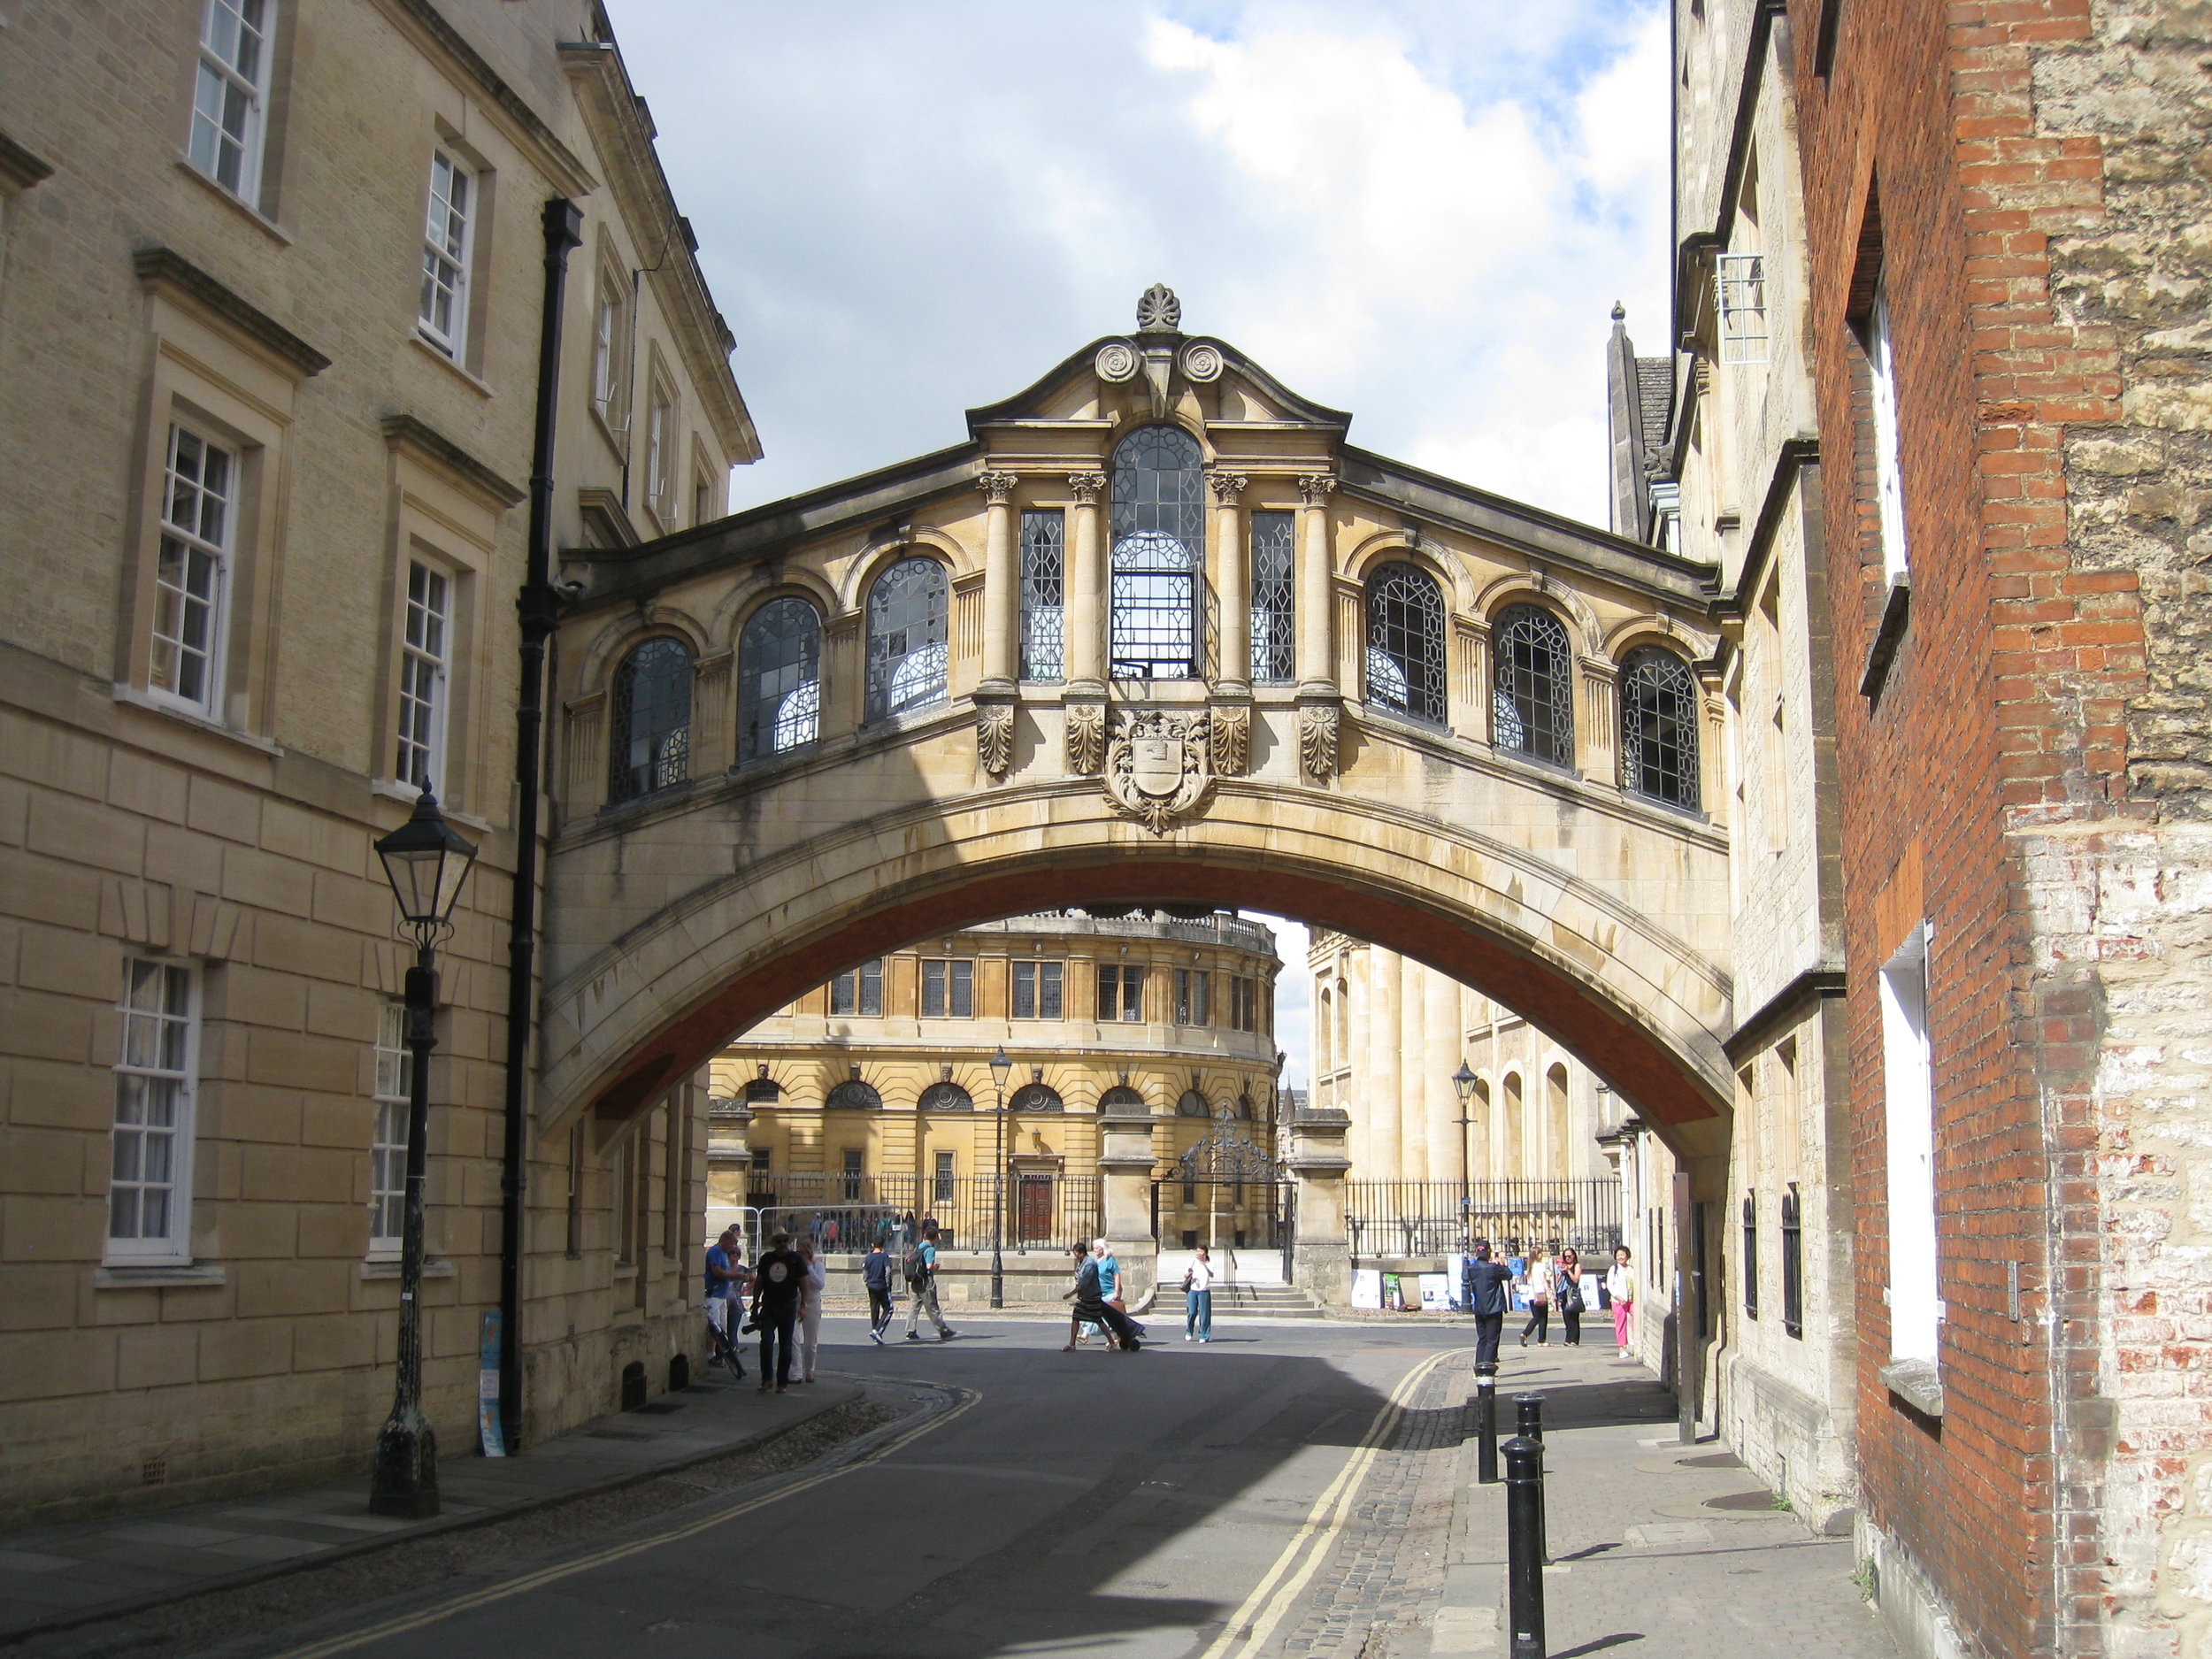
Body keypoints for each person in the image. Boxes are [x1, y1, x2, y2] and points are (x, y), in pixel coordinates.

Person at [749, 1230, 806, 1393]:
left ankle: (782, 1382)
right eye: (779, 1241)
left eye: (785, 1241)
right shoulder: (767, 1259)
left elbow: (804, 1282)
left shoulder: (795, 1259)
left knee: (785, 1345)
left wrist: (803, 1305)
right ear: (774, 1243)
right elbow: (759, 1281)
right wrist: (755, 1303)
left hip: (788, 1305)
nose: (782, 1244)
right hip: (769, 1305)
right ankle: (766, 1379)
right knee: (766, 1342)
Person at [1064, 1240, 1142, 1351]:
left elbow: (1085, 1282)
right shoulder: (1084, 1262)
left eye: (1076, 1254)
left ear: (1081, 1253)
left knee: (1098, 1320)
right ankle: (1072, 1344)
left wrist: (1070, 1294)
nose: (1075, 1256)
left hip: (1093, 1296)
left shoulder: (1091, 1263)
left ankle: (1110, 1341)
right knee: (1076, 1318)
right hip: (1084, 1296)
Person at [703, 1225, 748, 1378]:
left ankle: (719, 1353)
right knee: (715, 1326)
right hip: (714, 1293)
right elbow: (716, 1271)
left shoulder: (723, 1253)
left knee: (722, 1328)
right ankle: (711, 1354)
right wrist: (734, 1276)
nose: (733, 1247)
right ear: (725, 1241)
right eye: (732, 1243)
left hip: (722, 1295)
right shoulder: (715, 1252)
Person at [1462, 1240, 1513, 1366]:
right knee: (1492, 1340)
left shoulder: (1472, 1269)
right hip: (1493, 1308)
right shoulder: (1493, 1269)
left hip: (1479, 1309)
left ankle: (1478, 1367)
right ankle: (1486, 1369)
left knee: (1482, 1340)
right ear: (1488, 1251)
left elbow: (1465, 1278)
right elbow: (1509, 1275)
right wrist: (1501, 1264)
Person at [903, 1225, 957, 1341]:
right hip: (925, 1281)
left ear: (924, 1236)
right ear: (935, 1238)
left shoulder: (918, 1247)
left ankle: (910, 1331)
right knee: (932, 1307)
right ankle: (943, 1330)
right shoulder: (930, 1249)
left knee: (914, 1306)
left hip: (915, 1280)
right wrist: (936, 1267)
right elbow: (928, 1266)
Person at [795, 1237, 827, 1381]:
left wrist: (808, 1267)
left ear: (809, 1254)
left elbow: (819, 1284)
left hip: (812, 1302)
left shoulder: (817, 1266)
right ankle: (796, 1370)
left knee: (810, 1341)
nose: (800, 1256)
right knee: (792, 1338)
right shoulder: (794, 1265)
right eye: (798, 1253)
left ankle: (809, 1370)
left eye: (803, 1253)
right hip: (796, 1301)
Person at [862, 1236, 895, 1345]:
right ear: (883, 1246)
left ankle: (874, 1330)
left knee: (874, 1308)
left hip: (871, 1285)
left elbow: (865, 1273)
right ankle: (878, 1330)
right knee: (888, 1309)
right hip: (881, 1285)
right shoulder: (884, 1256)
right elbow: (887, 1271)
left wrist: (867, 1282)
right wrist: (888, 1284)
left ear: (872, 1245)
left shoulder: (868, 1258)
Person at [1606, 1245, 1638, 1360]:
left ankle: (1635, 1342)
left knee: (1637, 1318)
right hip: (1619, 1301)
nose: (1620, 1257)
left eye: (1622, 1254)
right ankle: (1622, 1348)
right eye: (1618, 1255)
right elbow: (1610, 1285)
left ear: (1627, 1256)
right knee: (1621, 1324)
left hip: (1631, 1300)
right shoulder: (1613, 1269)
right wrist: (1619, 1297)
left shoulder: (1631, 1269)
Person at [1519, 1247, 1554, 1347]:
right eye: (1540, 1253)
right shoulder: (1540, 1265)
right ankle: (1531, 1336)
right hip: (1540, 1294)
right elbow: (1543, 1281)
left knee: (1537, 1317)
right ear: (1535, 1255)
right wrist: (1550, 1294)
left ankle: (1534, 1337)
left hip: (1531, 1295)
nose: (1541, 1255)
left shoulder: (1530, 1267)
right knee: (1542, 1318)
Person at [1184, 1245, 1216, 1342]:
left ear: (1205, 1253)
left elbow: (1211, 1275)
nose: (1198, 1253)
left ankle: (1204, 1335)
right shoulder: (1192, 1261)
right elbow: (1185, 1274)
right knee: (1192, 1312)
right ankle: (1189, 1330)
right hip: (1193, 1290)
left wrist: (1204, 1264)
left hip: (1204, 1290)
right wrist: (1188, 1274)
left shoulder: (1209, 1263)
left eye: (1200, 1251)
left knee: (1204, 1314)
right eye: (1197, 1251)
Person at [1556, 1247, 1586, 1347]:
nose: (1567, 1258)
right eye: (1565, 1256)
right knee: (1566, 1317)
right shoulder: (1563, 1266)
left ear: (1573, 1256)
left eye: (1569, 1256)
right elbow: (1558, 1281)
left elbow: (1576, 1280)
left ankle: (1574, 1340)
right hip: (1564, 1293)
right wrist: (1560, 1272)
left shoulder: (1577, 1266)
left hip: (1572, 1293)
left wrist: (1568, 1271)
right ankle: (1568, 1339)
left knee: (1574, 1317)